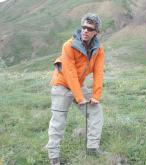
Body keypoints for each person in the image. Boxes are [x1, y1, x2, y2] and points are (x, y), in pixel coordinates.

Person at [46, 13, 105, 165]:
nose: (85, 31)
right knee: (58, 121)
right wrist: (80, 98)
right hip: (61, 85)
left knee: (96, 111)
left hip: (79, 85)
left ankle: (92, 148)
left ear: (96, 32)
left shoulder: (98, 49)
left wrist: (96, 96)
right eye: (83, 27)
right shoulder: (69, 45)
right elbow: (70, 74)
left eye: (90, 28)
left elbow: (99, 73)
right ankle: (54, 157)